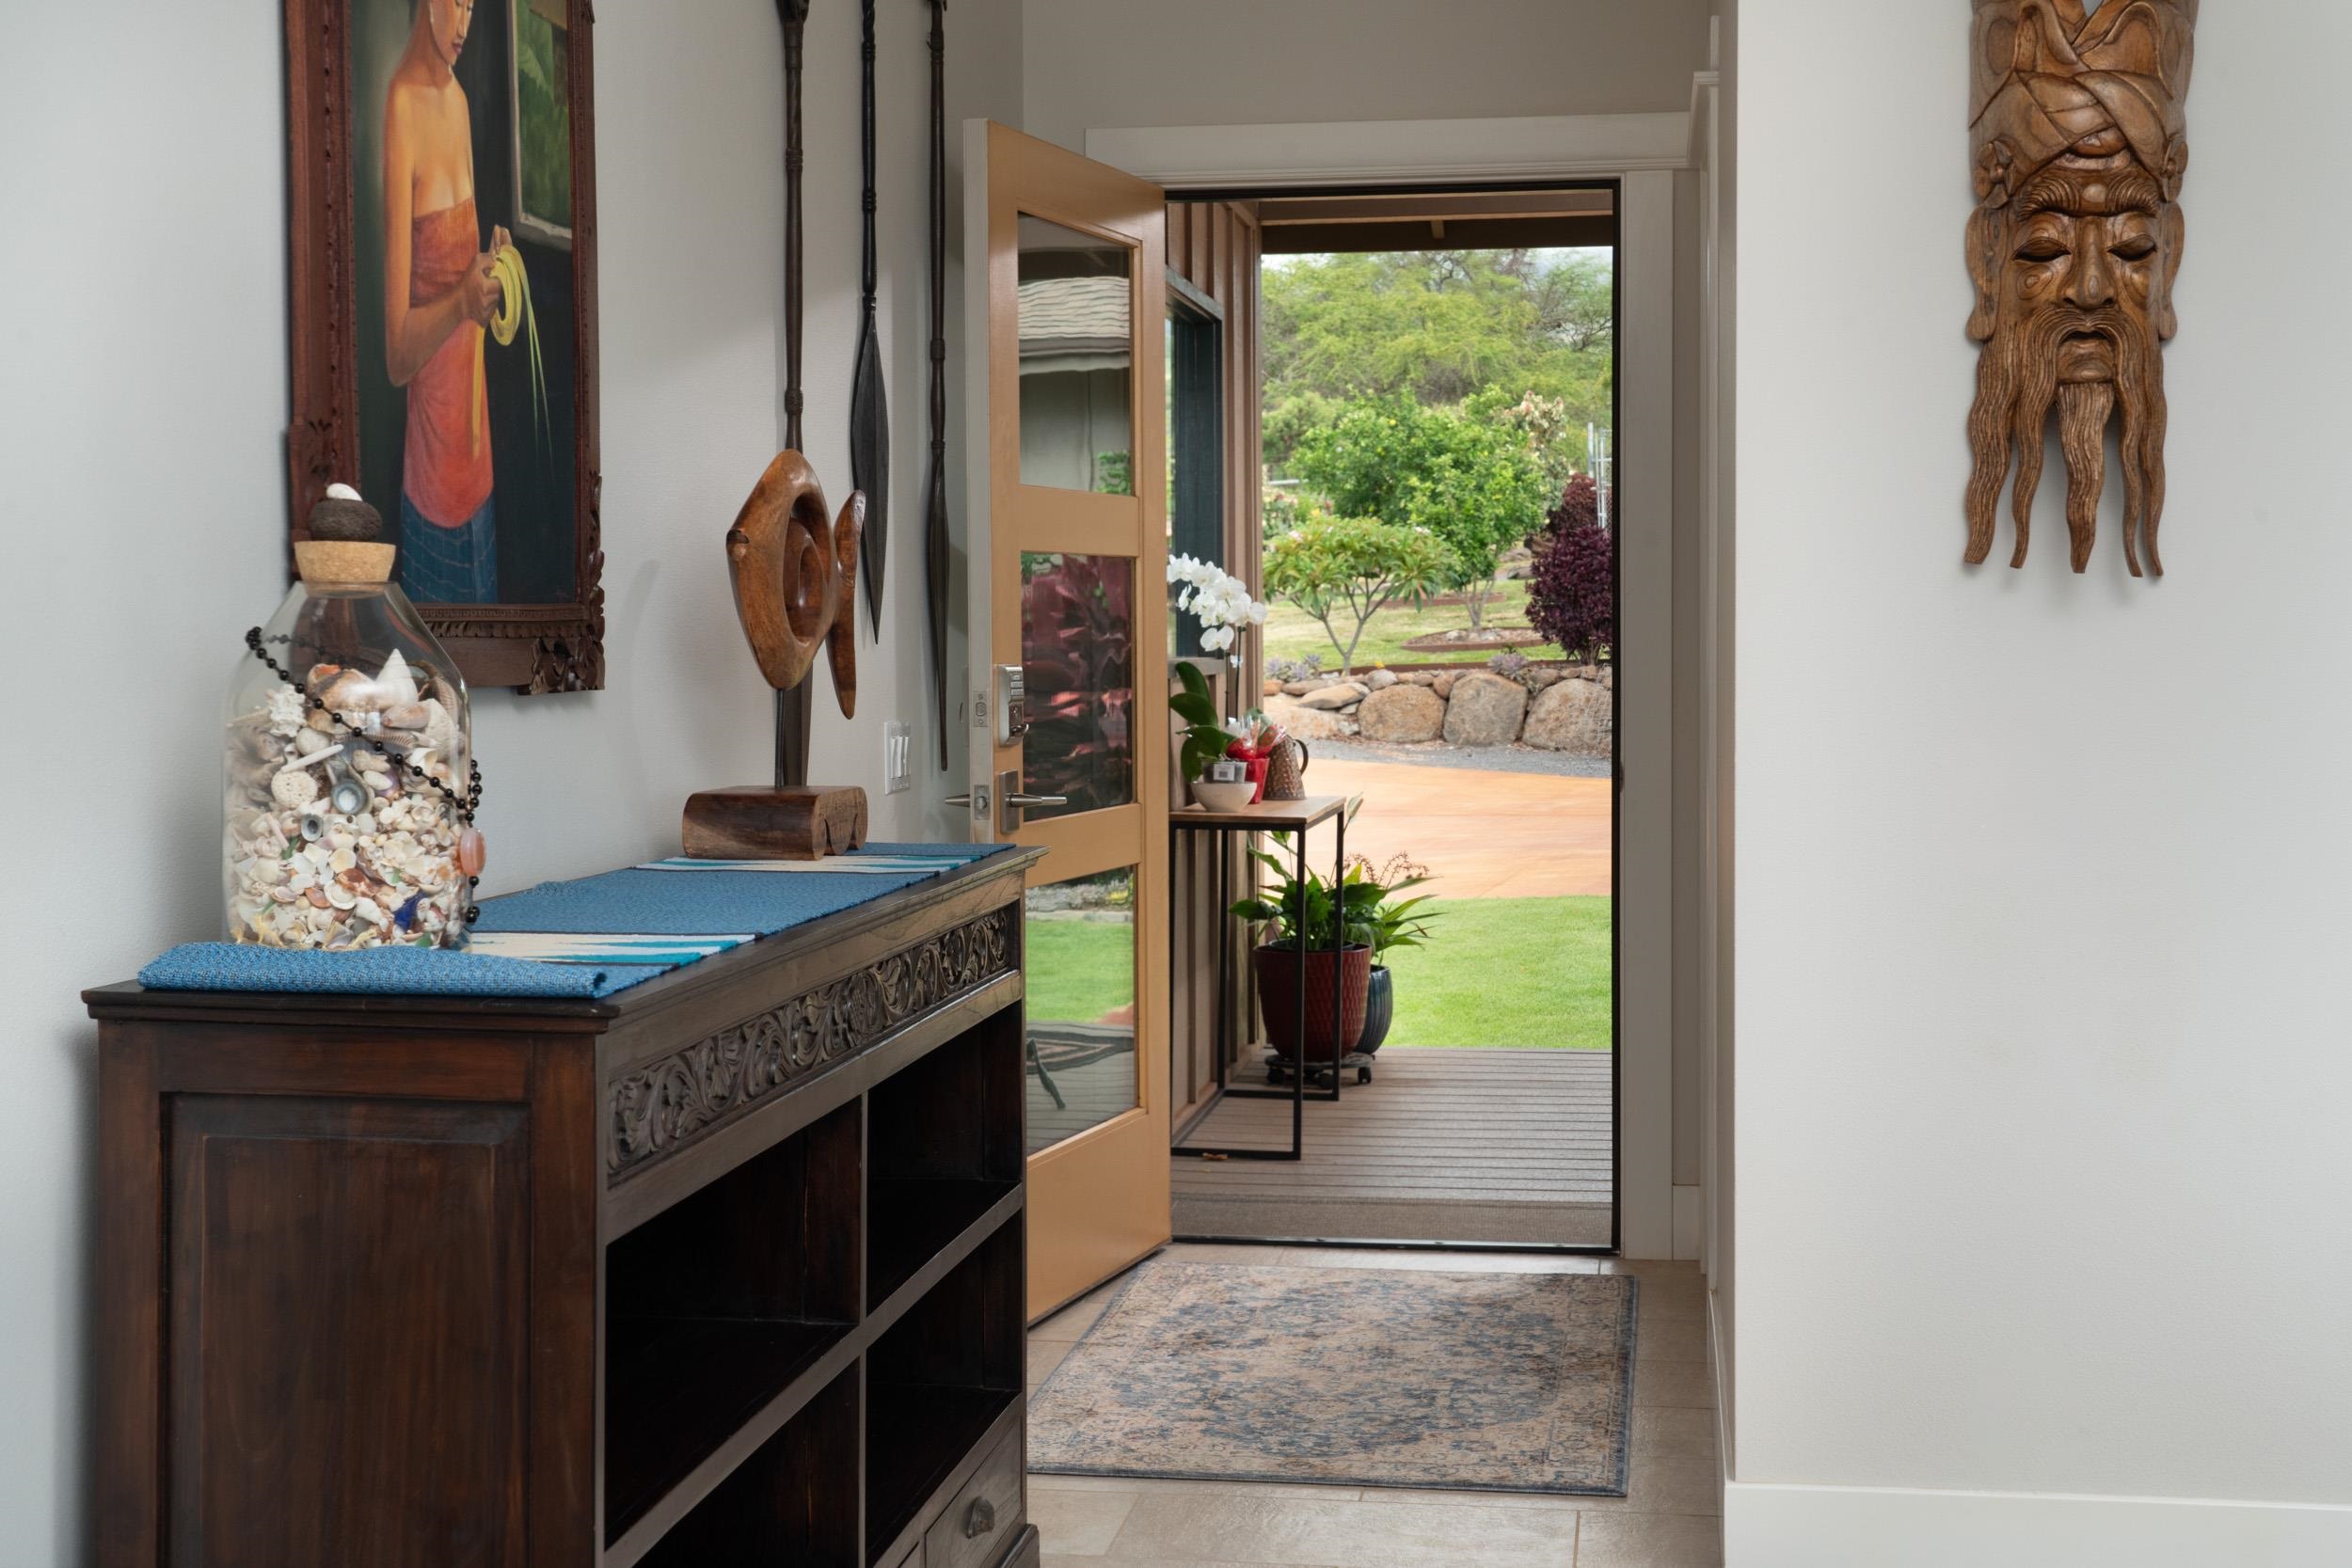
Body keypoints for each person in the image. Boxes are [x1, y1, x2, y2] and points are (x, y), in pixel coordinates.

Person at [383, 0, 510, 603]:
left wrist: (492, 267)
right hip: (433, 494)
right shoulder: (402, 107)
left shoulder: (458, 102)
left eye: (473, 5)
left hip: (479, 475)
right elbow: (397, 357)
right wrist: (462, 301)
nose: (464, 21)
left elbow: (459, 279)